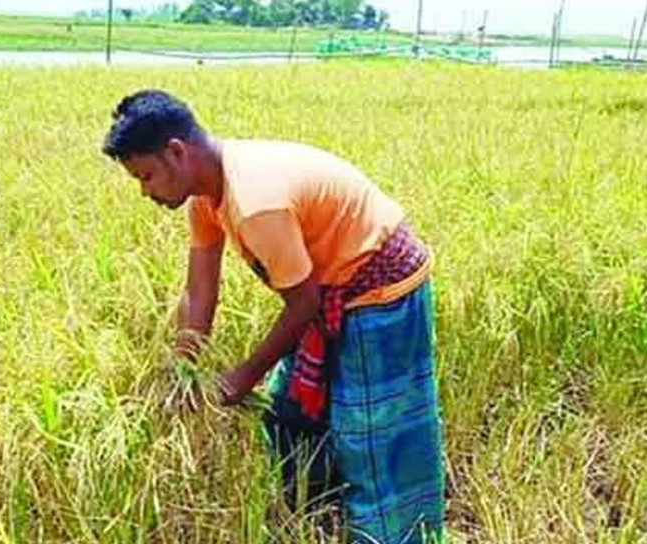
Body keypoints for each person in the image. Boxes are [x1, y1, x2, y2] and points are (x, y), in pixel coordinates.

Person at [102, 89, 445, 544]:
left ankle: (395, 535)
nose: (145, 191)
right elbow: (200, 292)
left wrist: (242, 376)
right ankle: (323, 522)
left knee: (370, 433)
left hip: (377, 289)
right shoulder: (206, 195)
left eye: (145, 176)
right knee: (290, 414)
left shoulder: (255, 200)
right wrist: (184, 371)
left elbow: (302, 304)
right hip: (328, 290)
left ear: (177, 153)